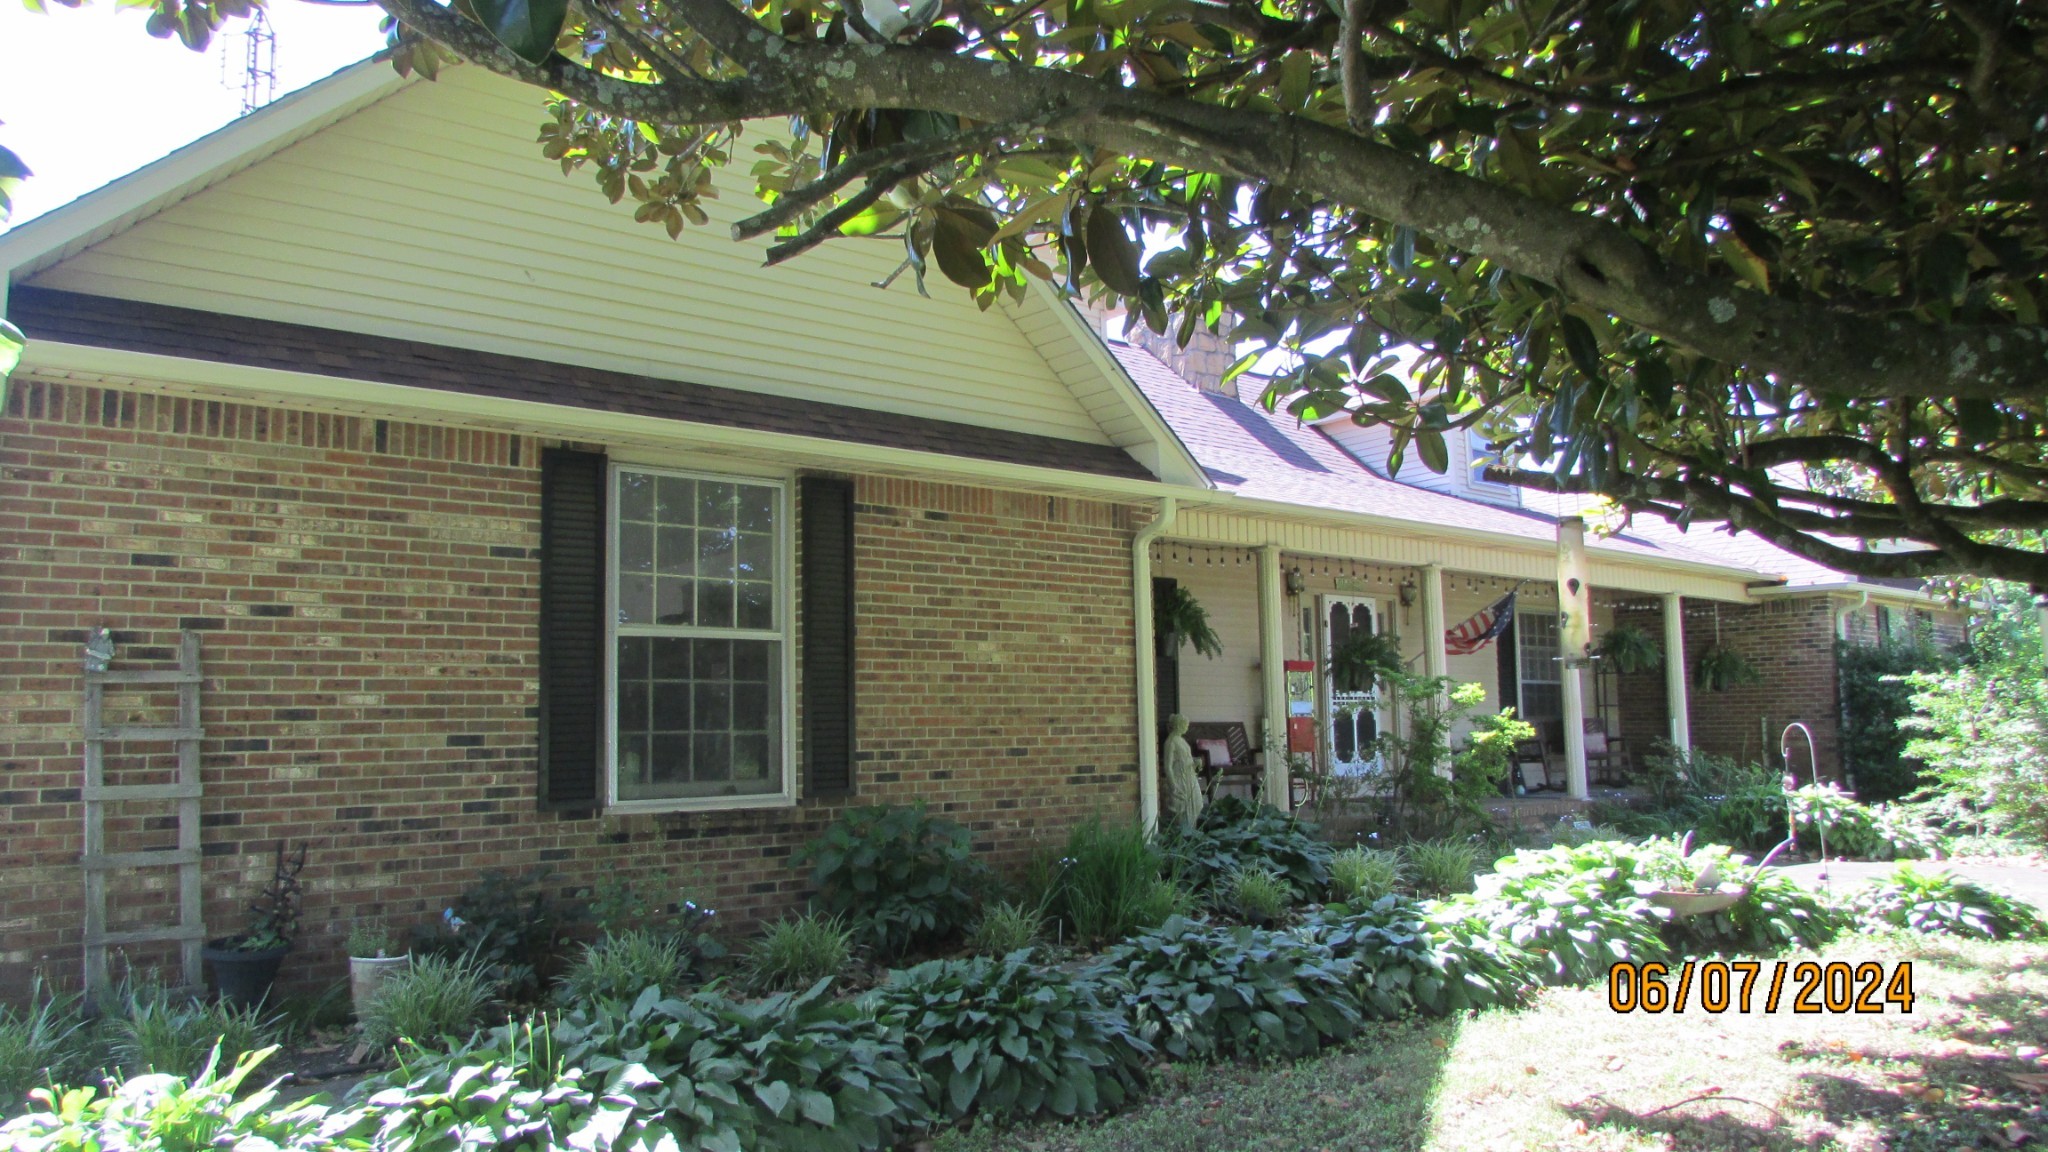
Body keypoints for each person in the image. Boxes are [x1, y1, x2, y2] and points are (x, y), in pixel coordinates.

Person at [1162, 713, 1203, 831]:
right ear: (1178, 725)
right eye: (1185, 725)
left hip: (1190, 777)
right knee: (1182, 808)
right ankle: (1183, 835)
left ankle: (1191, 832)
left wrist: (1195, 762)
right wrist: (1173, 785)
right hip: (1180, 779)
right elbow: (1168, 766)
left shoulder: (1181, 740)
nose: (1187, 727)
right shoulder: (1171, 742)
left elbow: (1186, 759)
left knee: (1197, 803)